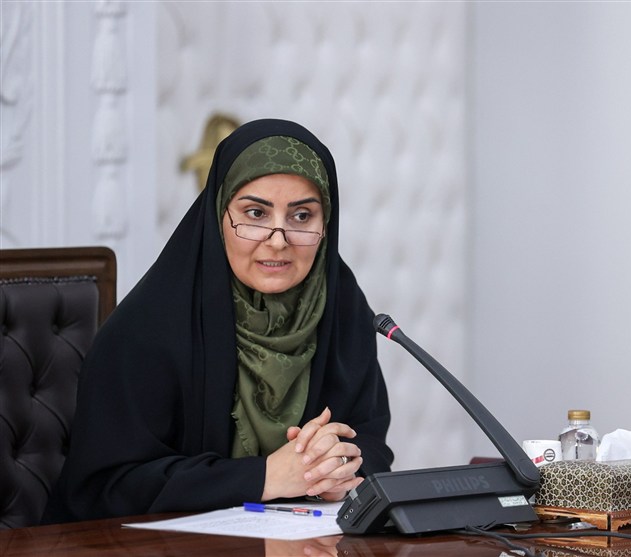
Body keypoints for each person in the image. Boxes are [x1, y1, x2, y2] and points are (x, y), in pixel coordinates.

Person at [42, 119, 393, 523]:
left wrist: (340, 470)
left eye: (301, 216)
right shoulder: (147, 329)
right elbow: (107, 487)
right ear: (218, 214)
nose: (278, 240)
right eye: (256, 213)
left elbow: (370, 442)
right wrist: (264, 477)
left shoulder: (343, 310)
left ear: (325, 225)